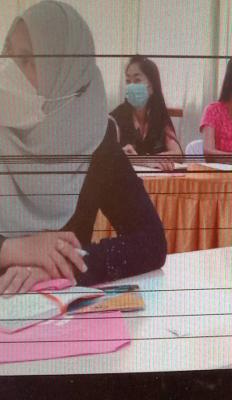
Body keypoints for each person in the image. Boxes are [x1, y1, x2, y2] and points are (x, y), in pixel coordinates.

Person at [0, 1, 166, 294]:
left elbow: (151, 242)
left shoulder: (93, 139)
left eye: (26, 60)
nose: (7, 69)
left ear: (65, 74)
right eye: (7, 52)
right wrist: (12, 249)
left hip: (53, 310)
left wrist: (64, 265)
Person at [110, 55, 182, 171]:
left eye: (137, 80)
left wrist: (152, 159)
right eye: (128, 81)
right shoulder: (116, 117)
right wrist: (144, 161)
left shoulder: (159, 114)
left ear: (152, 87)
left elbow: (178, 153)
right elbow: (110, 156)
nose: (131, 86)